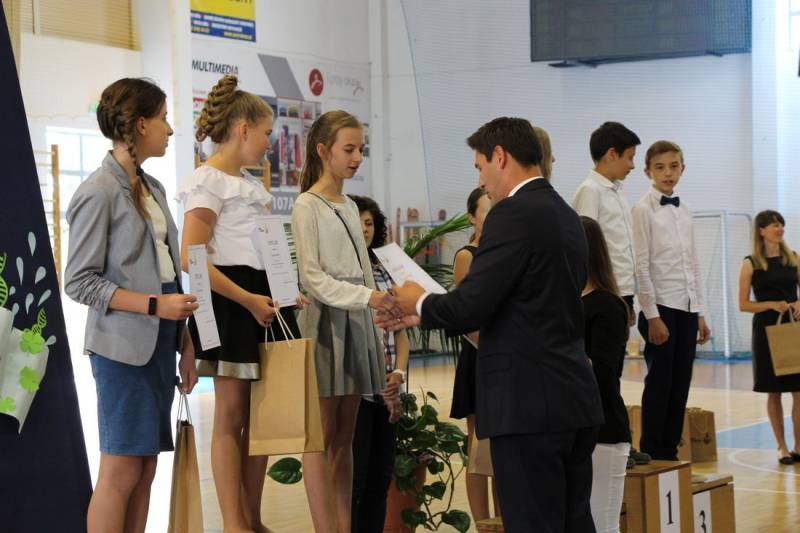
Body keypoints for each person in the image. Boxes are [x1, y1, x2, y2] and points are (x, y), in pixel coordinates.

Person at [381, 117, 603, 532]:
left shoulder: (513, 213)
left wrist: (420, 300)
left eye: (480, 166)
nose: (481, 180)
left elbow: (472, 303)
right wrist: (422, 312)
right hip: (571, 397)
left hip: (528, 404)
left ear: (499, 156)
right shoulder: (565, 213)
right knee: (574, 522)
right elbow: (526, 303)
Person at [64, 77, 199, 533]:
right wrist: (154, 306)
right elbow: (79, 282)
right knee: (121, 470)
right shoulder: (97, 191)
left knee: (145, 471)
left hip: (161, 344)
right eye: (163, 119)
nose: (170, 129)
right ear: (141, 124)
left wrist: (185, 343)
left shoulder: (154, 187)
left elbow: (167, 274)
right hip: (121, 351)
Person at [177, 74, 302, 533]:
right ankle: (234, 522)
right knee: (230, 417)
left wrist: (286, 291)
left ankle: (252, 515)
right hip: (232, 301)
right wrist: (248, 299)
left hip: (261, 298)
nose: (271, 142)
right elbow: (191, 257)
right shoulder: (208, 182)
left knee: (261, 418)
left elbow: (263, 251)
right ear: (243, 129)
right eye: (267, 133)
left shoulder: (248, 184)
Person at [292, 110, 396, 533]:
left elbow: (364, 271)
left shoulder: (351, 206)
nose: (357, 158)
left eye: (361, 150)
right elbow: (312, 277)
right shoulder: (306, 205)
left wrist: (378, 309)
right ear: (323, 150)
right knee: (320, 435)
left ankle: (343, 523)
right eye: (349, 149)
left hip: (357, 322)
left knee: (345, 437)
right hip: (324, 323)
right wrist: (367, 297)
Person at [632, 140, 711, 460]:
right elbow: (641, 265)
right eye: (660, 167)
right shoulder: (642, 209)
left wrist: (700, 312)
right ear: (647, 171)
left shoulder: (686, 209)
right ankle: (653, 450)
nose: (668, 173)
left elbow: (693, 263)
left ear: (683, 168)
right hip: (661, 307)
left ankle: (670, 450)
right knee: (660, 383)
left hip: (686, 307)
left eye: (674, 166)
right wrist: (652, 315)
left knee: (681, 383)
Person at [348, 194, 409, 532]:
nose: (364, 229)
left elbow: (401, 332)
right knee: (354, 480)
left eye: (369, 223)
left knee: (380, 478)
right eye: (358, 222)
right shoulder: (342, 274)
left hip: (387, 390)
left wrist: (398, 373)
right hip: (356, 389)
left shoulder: (386, 272)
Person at [448, 187, 499, 521]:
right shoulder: (468, 255)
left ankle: (503, 520)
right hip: (481, 355)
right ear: (472, 217)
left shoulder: (504, 252)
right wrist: (495, 346)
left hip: (505, 354)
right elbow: (464, 316)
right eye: (486, 211)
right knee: (479, 444)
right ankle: (483, 523)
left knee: (502, 446)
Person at [581, 216, 633, 533]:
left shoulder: (607, 306)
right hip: (572, 429)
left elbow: (602, 372)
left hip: (604, 431)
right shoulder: (564, 303)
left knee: (603, 524)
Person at [738, 210, 800, 464]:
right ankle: (781, 446)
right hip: (765, 330)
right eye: (774, 225)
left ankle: (799, 445)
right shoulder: (750, 263)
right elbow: (743, 304)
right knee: (773, 392)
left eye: (781, 224)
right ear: (761, 230)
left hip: (793, 328)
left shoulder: (793, 258)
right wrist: (771, 304)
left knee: (798, 391)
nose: (779, 228)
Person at [572, 122, 640, 317]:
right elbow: (586, 246)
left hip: (623, 288)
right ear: (612, 154)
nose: (633, 165)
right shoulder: (590, 190)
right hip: (605, 290)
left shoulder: (617, 191)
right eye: (630, 157)